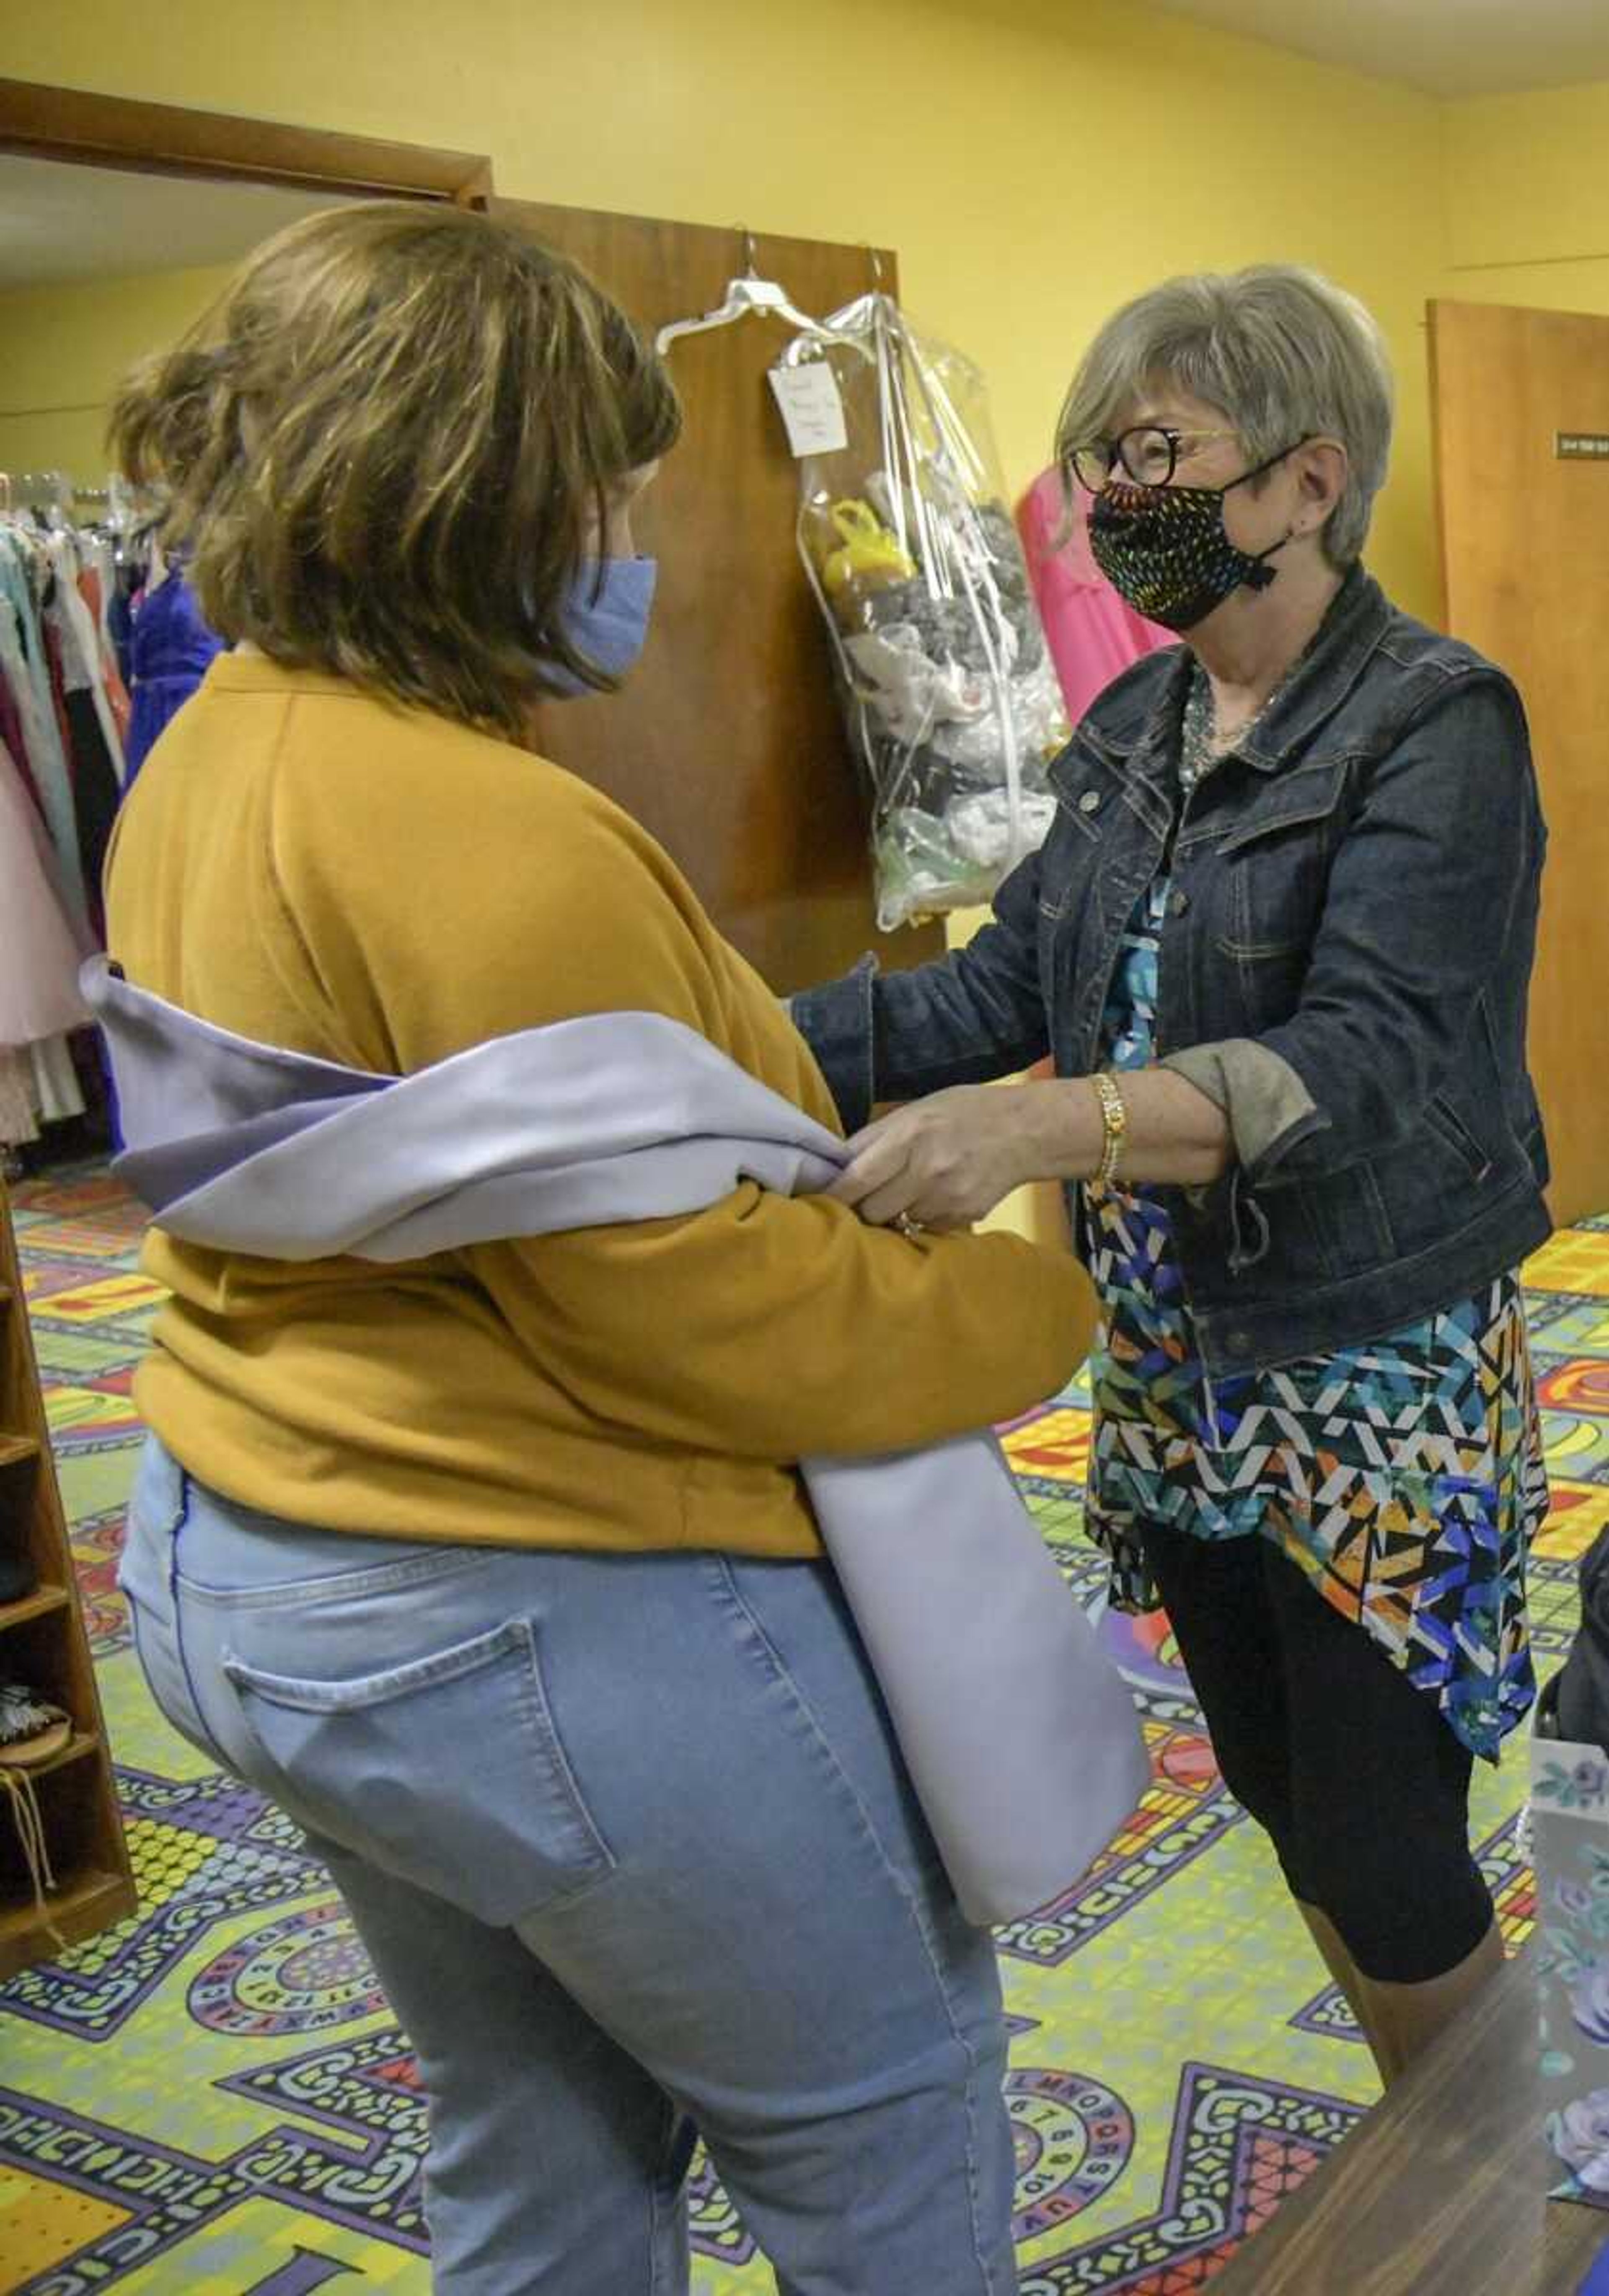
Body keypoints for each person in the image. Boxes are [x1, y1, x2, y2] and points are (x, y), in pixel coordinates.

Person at [103, 202, 1094, 2295]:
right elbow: (707, 1307)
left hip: (252, 1541)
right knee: (882, 2114)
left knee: (543, 2128)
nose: (631, 529)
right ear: (477, 496)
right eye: (607, 485)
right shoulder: (477, 827)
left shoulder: (216, 746)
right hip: (528, 1601)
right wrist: (1034, 1299)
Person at [793, 263, 1550, 2087]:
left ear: (1310, 481)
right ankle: (1423, 2122)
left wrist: (1044, 1127)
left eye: (1153, 454)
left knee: (1386, 1844)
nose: (1108, 503)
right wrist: (716, 1030)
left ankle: (1493, 2184)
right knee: (1289, 1806)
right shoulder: (1133, 730)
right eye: (1093, 462)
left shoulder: (1434, 718)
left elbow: (1366, 1056)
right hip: (1177, 1371)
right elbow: (1003, 982)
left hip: (1366, 1371)